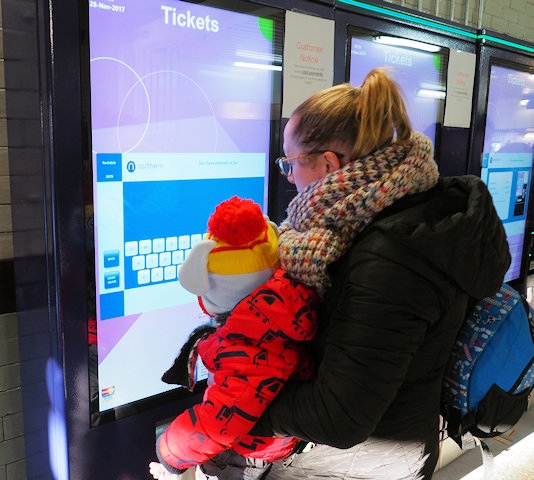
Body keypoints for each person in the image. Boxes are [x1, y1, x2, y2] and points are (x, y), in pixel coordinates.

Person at [246, 67, 511, 479]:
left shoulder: (390, 256)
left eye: (289, 163)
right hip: (399, 444)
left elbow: (341, 416)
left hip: (360, 463)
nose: (288, 176)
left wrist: (240, 408)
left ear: (329, 164)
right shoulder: (415, 208)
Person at [148, 196, 319, 480]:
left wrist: (170, 452)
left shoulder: (249, 341)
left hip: (252, 452)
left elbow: (222, 420)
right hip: (269, 436)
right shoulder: (278, 310)